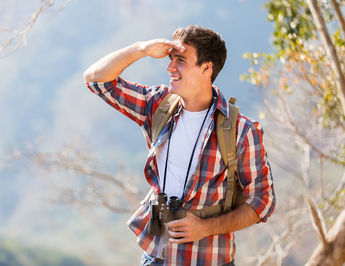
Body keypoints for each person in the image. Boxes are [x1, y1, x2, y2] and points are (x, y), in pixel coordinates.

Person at [83, 25, 275, 266]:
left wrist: (205, 227)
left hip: (209, 260)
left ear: (207, 68)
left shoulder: (242, 131)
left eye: (181, 61)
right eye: (171, 59)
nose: (170, 67)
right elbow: (96, 80)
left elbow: (263, 200)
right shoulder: (157, 105)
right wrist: (140, 49)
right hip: (155, 257)